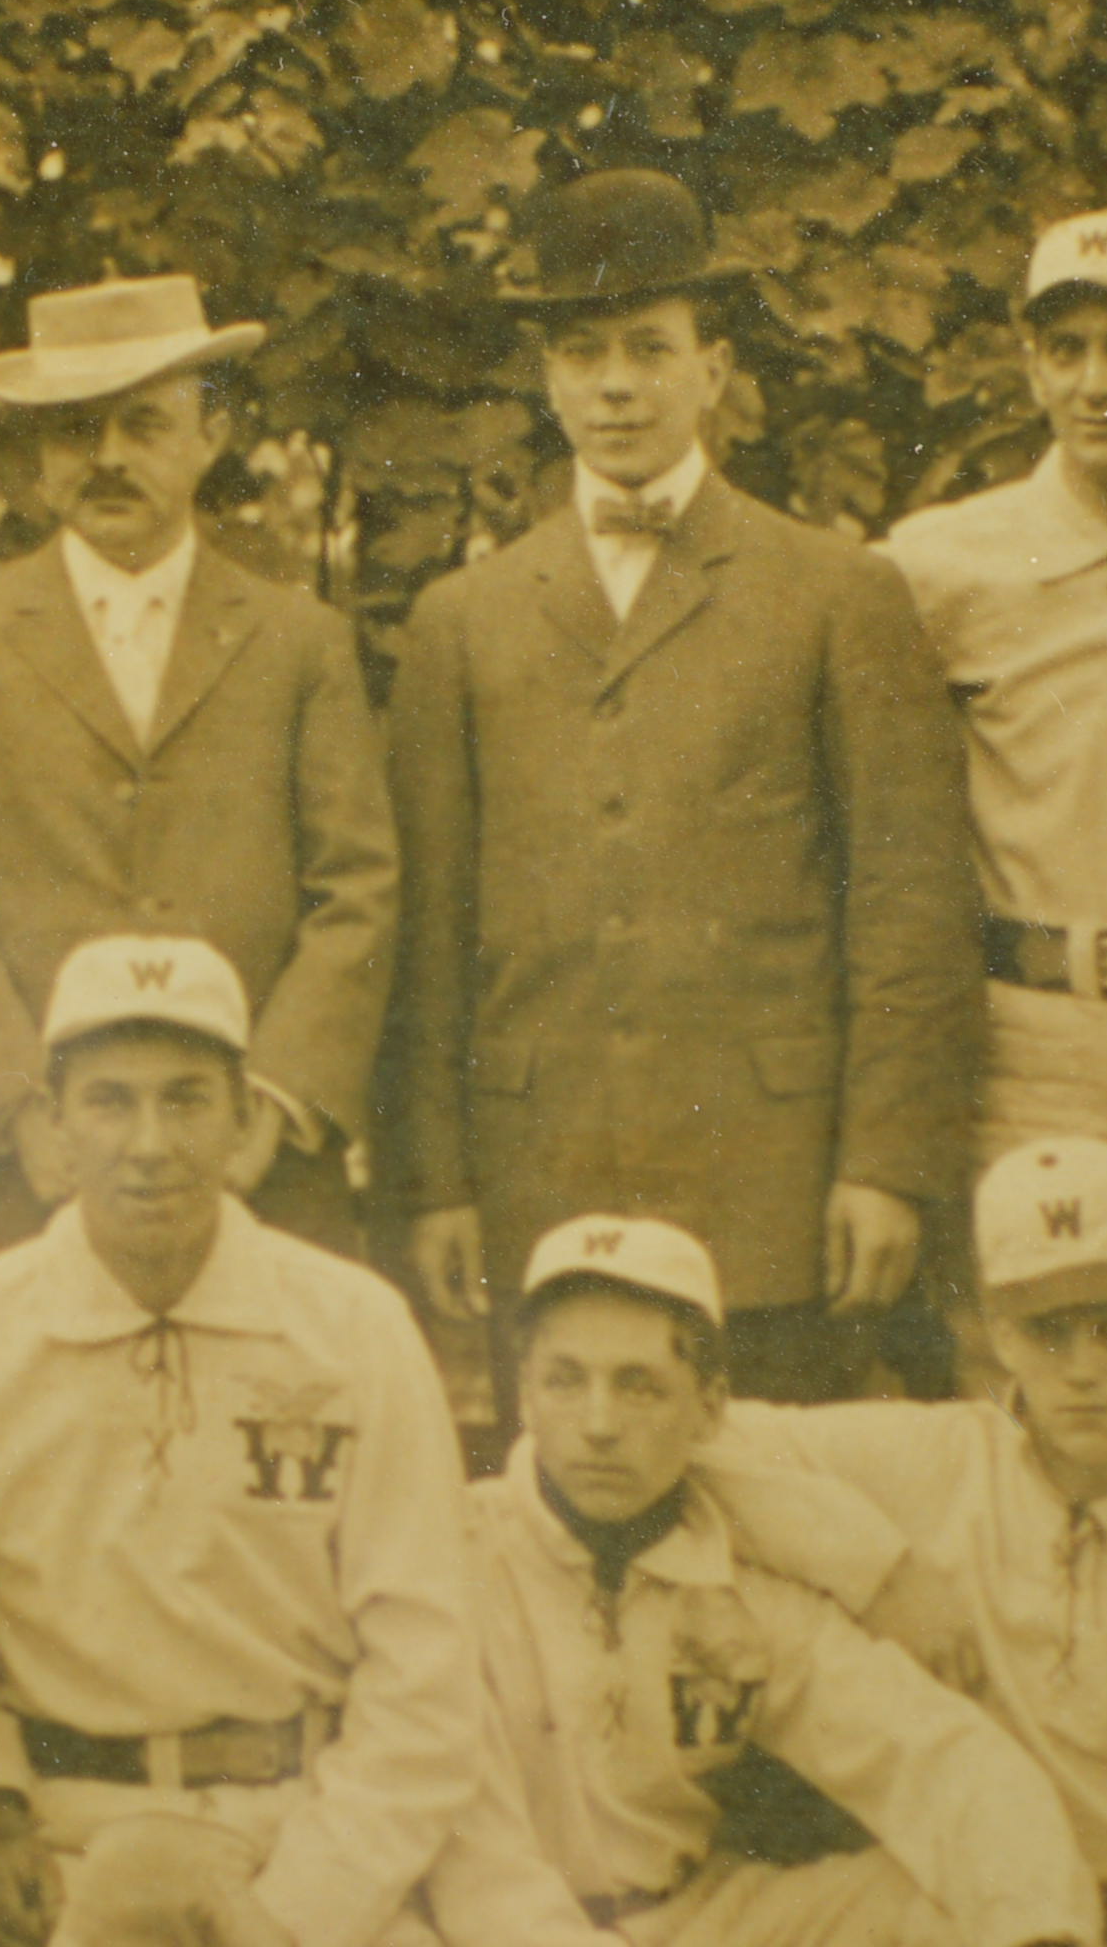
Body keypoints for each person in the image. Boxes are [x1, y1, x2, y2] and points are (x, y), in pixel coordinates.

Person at [384, 166, 980, 1407]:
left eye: (648, 349)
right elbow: (429, 928)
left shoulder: (832, 594)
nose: (614, 384)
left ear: (712, 369)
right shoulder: (462, 620)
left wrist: (882, 1162)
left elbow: (905, 907)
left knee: (772, 1513)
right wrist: (435, 1178)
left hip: (764, 1179)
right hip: (535, 1171)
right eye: (582, 350)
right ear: (545, 378)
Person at [0, 935, 478, 1947]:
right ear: (53, 1117)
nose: (146, 1141)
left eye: (185, 1097)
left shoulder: (352, 1326)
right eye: (108, 1099)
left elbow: (426, 1676)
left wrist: (299, 1909)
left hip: (296, 1827)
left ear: (243, 1117)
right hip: (56, 1834)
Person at [0, 276, 395, 1274]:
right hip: (28, 1170)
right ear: (38, 457)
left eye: (143, 425)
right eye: (76, 432)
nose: (108, 458)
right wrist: (16, 1108)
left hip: (254, 1162)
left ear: (208, 436)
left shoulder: (299, 644)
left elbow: (357, 891)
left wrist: (274, 1103)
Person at [451, 1212, 1097, 1947]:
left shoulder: (733, 1584)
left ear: (710, 1409)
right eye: (566, 1381)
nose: (598, 1423)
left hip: (695, 1911)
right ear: (526, 1393)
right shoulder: (457, 1558)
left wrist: (1041, 1927)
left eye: (639, 1387)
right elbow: (465, 1853)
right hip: (492, 1924)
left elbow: (936, 1757)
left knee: (946, 1907)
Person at [879, 210, 1107, 1478]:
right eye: (1065, 347)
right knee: (1025, 1410)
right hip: (1023, 1037)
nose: (1096, 383)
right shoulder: (936, 566)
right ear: (1027, 367)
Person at [699, 1137, 1107, 1943]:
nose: (1084, 1367)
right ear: (1000, 1334)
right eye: (1048, 1330)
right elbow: (685, 1440)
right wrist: (879, 1571)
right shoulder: (931, 1460)